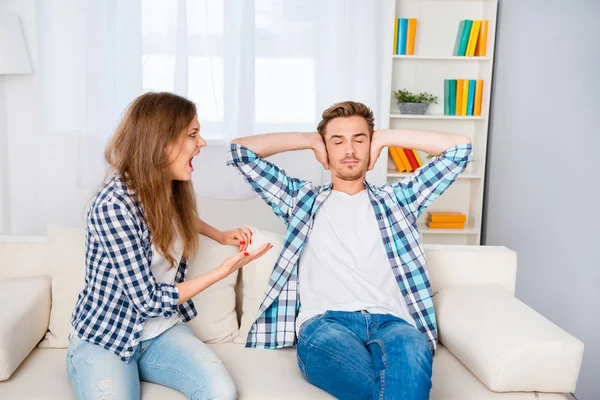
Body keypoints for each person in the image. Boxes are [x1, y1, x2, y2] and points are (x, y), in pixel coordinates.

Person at [227, 101, 474, 399]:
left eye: (360, 139)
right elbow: (241, 151)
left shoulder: (398, 201)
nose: (350, 150)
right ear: (325, 151)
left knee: (412, 351)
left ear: (371, 147)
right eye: (338, 141)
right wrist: (309, 140)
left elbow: (460, 150)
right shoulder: (299, 200)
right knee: (387, 385)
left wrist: (385, 136)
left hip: (393, 322)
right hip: (325, 324)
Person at [67, 92, 272, 400]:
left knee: (221, 392)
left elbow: (174, 217)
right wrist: (224, 269)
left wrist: (218, 234)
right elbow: (148, 301)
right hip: (107, 337)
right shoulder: (113, 207)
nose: (202, 143)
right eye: (193, 134)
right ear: (161, 142)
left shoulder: (164, 187)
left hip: (161, 331)